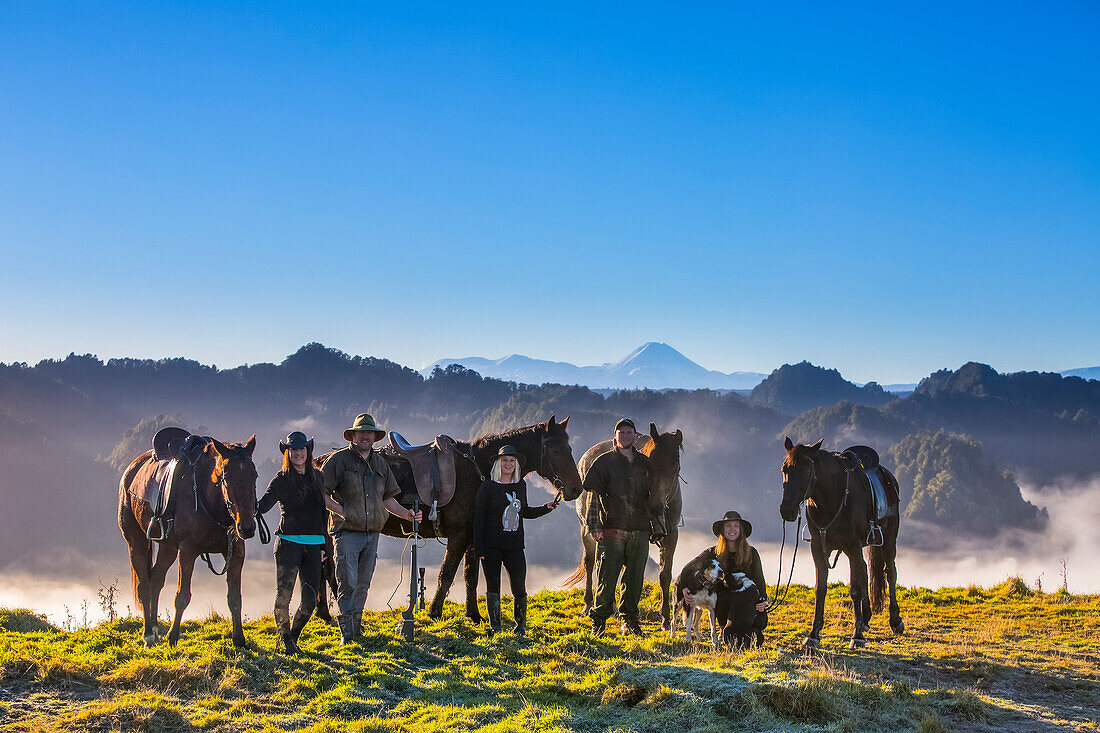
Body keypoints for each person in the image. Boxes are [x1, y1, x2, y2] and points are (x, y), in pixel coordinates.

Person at [321, 412, 422, 644]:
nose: (366, 436)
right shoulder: (338, 461)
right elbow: (321, 492)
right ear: (353, 435)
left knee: (363, 582)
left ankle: (356, 628)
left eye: (370, 432)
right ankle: (347, 633)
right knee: (347, 581)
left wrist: (406, 515)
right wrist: (341, 511)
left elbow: (388, 498)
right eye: (361, 432)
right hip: (346, 532)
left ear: (374, 437)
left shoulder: (380, 464)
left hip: (372, 532)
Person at [583, 418, 659, 636]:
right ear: (615, 436)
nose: (625, 436)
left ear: (635, 436)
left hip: (639, 530)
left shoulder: (645, 464)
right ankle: (598, 621)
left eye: (629, 432)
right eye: (621, 432)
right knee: (607, 578)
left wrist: (657, 526)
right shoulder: (603, 462)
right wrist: (594, 525)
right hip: (611, 530)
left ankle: (631, 622)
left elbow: (653, 497)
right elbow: (594, 495)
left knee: (635, 579)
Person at [473, 445, 560, 637]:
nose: (508, 464)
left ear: (516, 464)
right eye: (505, 460)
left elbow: (524, 511)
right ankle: (495, 627)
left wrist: (546, 507)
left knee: (519, 587)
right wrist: (479, 547)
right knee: (493, 586)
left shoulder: (520, 485)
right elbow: (478, 518)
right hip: (491, 546)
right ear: (498, 463)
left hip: (514, 546)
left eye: (512, 461)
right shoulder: (487, 487)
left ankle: (520, 627)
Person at [256, 431, 328, 654]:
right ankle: (286, 642)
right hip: (288, 544)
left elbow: (322, 511)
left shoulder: (318, 477)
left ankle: (292, 638)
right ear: (287, 452)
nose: (298, 453)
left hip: (314, 545)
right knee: (283, 596)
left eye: (301, 449)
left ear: (308, 451)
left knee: (310, 602)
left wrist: (324, 545)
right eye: (294, 449)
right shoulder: (281, 479)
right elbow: (264, 505)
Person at [686, 510, 768, 645]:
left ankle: (742, 633)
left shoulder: (752, 552)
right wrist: (686, 587)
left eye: (736, 526)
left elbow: (759, 580)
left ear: (741, 530)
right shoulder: (713, 552)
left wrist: (762, 600)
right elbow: (690, 568)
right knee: (724, 598)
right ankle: (725, 630)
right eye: (728, 526)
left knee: (757, 622)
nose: (732, 529)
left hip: (746, 601)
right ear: (723, 530)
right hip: (724, 603)